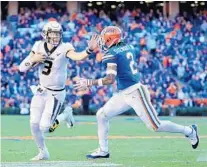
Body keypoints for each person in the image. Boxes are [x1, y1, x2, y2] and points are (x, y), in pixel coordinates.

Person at [74, 26, 199, 159]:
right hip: (124, 93)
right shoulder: (128, 47)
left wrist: (89, 82)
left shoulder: (111, 53)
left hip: (135, 92)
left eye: (105, 40)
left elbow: (109, 79)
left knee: (155, 126)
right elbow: (119, 56)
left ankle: (190, 131)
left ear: (111, 40)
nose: (103, 42)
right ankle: (103, 150)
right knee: (102, 115)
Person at [19, 21, 98, 160]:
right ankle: (43, 152)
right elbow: (22, 68)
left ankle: (65, 115)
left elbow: (78, 57)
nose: (55, 37)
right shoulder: (38, 46)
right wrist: (33, 59)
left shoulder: (65, 47)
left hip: (56, 93)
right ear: (45, 34)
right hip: (40, 90)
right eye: (52, 34)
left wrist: (89, 50)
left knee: (45, 127)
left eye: (57, 34)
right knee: (34, 124)